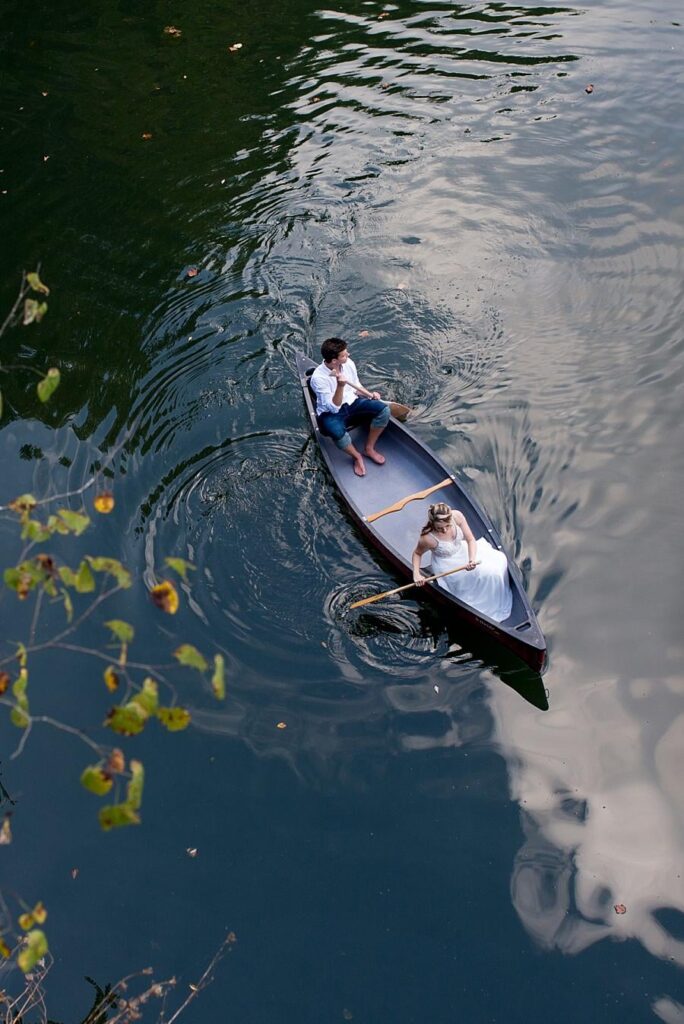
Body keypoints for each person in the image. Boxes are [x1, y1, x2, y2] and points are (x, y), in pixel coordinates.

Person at [411, 502, 513, 622]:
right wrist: (416, 574)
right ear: (433, 524)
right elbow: (417, 554)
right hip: (447, 565)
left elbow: (470, 539)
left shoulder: (457, 516)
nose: (444, 530)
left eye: (447, 526)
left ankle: (495, 596)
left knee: (498, 562)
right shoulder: (427, 538)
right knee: (484, 575)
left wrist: (471, 559)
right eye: (439, 528)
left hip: (465, 552)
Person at [309, 337, 390, 477]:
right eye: (345, 355)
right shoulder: (318, 378)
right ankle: (356, 456)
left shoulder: (348, 364)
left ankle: (369, 448)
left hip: (353, 403)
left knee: (383, 410)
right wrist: (340, 386)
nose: (349, 355)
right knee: (336, 431)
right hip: (331, 412)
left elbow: (356, 386)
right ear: (334, 361)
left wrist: (369, 394)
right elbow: (334, 407)